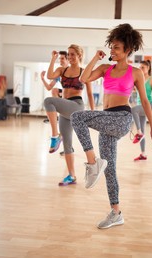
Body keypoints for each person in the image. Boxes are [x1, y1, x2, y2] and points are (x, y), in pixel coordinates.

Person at [70, 23, 152, 229]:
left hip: (121, 118)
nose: (112, 51)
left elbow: (145, 102)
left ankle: (93, 164)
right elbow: (83, 78)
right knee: (110, 169)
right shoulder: (104, 68)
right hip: (106, 119)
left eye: (116, 47)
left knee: (77, 117)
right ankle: (116, 212)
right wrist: (95, 58)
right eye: (111, 47)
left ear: (128, 49)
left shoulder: (136, 72)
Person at [44, 44, 94, 186]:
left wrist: (93, 111)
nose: (70, 57)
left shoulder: (84, 72)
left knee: (48, 101)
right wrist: (53, 59)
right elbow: (49, 76)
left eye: (73, 54)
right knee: (67, 144)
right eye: (69, 54)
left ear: (79, 56)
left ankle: (55, 136)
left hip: (76, 106)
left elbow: (89, 93)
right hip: (65, 107)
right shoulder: (62, 70)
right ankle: (71, 176)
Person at [131, 60, 152, 161]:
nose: (140, 69)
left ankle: (138, 133)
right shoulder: (139, 79)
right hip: (140, 105)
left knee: (133, 110)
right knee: (142, 130)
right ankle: (143, 154)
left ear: (148, 68)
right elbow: (133, 89)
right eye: (140, 67)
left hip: (148, 105)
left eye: (143, 67)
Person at [41, 51, 68, 123]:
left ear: (67, 59)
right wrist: (43, 79)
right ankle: (54, 117)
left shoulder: (72, 70)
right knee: (54, 90)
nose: (60, 60)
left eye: (62, 58)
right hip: (64, 95)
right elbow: (49, 87)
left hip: (72, 98)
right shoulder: (59, 73)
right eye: (59, 59)